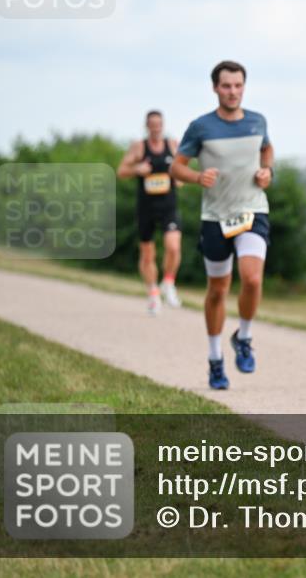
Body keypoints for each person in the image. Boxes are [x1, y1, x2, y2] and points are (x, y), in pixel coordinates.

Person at [170, 60, 274, 390]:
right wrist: (198, 176)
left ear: (244, 87)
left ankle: (243, 336)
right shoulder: (200, 127)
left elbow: (267, 149)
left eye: (238, 85)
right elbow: (176, 168)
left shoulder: (258, 121)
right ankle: (215, 359)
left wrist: (266, 171)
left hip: (253, 211)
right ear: (215, 88)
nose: (233, 92)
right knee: (217, 290)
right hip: (215, 218)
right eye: (226, 86)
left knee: (253, 278)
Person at [117, 110, 183, 315]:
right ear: (146, 126)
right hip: (145, 207)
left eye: (159, 124)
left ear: (163, 125)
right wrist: (137, 169)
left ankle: (168, 283)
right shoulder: (139, 147)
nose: (156, 128)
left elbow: (183, 169)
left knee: (173, 247)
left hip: (168, 206)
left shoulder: (173, 144)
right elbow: (121, 171)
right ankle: (153, 294)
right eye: (152, 124)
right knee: (148, 254)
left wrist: (179, 177)